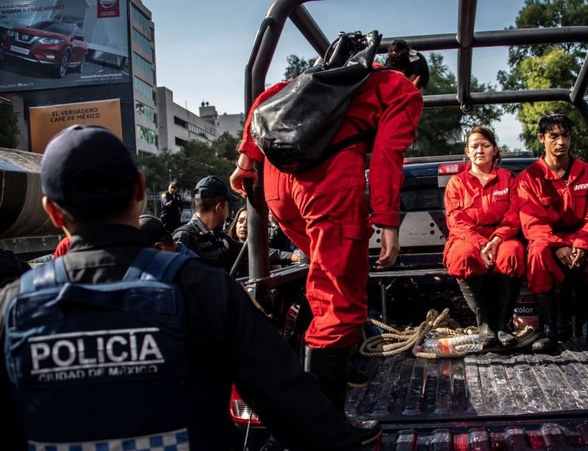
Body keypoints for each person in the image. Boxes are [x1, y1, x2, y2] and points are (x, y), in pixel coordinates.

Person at [0, 125, 368, 451]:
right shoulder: (205, 289)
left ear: (51, 211)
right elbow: (298, 413)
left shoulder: (12, 308)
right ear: (140, 189)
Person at [230, 39, 429, 425]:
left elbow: (268, 99)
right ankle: (326, 426)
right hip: (327, 186)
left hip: (277, 187)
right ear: (418, 79)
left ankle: (342, 368)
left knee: (340, 283)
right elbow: (389, 154)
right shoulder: (403, 89)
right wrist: (388, 221)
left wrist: (245, 160)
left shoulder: (334, 75)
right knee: (339, 301)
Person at [517, 112, 588, 355]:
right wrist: (557, 246)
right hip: (550, 242)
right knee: (537, 253)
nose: (560, 142)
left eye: (565, 136)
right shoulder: (528, 178)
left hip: (583, 240)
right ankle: (548, 331)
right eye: (553, 136)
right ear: (542, 138)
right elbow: (532, 223)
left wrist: (583, 244)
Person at [443, 126, 525, 348]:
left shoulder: (508, 179)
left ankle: (502, 325)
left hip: (502, 237)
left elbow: (514, 214)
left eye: (485, 145)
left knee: (513, 254)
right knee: (462, 256)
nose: (480, 150)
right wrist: (481, 245)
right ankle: (485, 324)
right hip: (468, 238)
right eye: (474, 146)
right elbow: (456, 222)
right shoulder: (456, 183)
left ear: (495, 150)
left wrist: (496, 240)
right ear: (467, 151)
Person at [172, 175, 241, 272]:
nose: (228, 211)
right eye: (227, 206)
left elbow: (245, 250)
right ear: (219, 207)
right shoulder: (184, 238)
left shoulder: (217, 235)